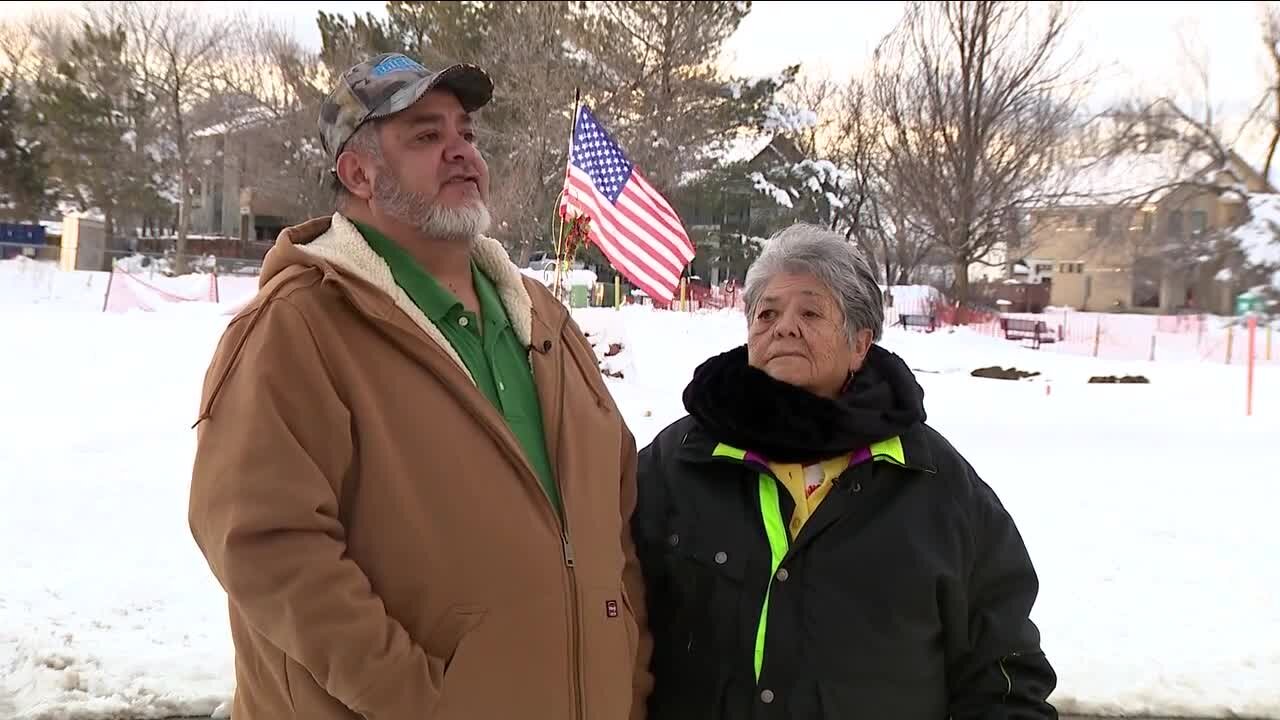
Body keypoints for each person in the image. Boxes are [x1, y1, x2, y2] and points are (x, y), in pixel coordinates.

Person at [188, 52, 651, 720]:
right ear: (360, 172)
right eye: (426, 136)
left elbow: (615, 512)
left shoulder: (542, 318)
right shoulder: (298, 329)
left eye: (465, 133)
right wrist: (417, 700)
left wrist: (624, 680)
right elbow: (265, 544)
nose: (462, 152)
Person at [632, 223, 1057, 719]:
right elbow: (605, 617)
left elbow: (1004, 676)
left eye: (810, 311)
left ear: (860, 343)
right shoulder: (678, 462)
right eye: (766, 312)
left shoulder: (936, 487)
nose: (783, 327)